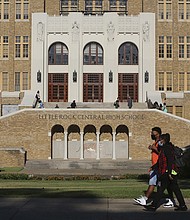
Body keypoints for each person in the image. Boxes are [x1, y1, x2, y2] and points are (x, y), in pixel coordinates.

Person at [145, 133, 188, 212]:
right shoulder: (164, 148)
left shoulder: (167, 148)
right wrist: (153, 167)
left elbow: (170, 161)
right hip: (168, 172)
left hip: (167, 172)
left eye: (160, 140)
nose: (159, 141)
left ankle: (154, 206)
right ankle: (182, 205)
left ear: (164, 140)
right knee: (175, 189)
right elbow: (160, 161)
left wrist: (169, 172)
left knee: (161, 189)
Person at [134, 127, 174, 207]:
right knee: (167, 185)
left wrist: (154, 148)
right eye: (152, 132)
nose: (151, 134)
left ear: (158, 133)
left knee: (153, 183)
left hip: (159, 166)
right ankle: (171, 200)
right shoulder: (156, 142)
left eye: (153, 133)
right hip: (155, 165)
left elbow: (163, 154)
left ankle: (145, 199)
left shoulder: (160, 143)